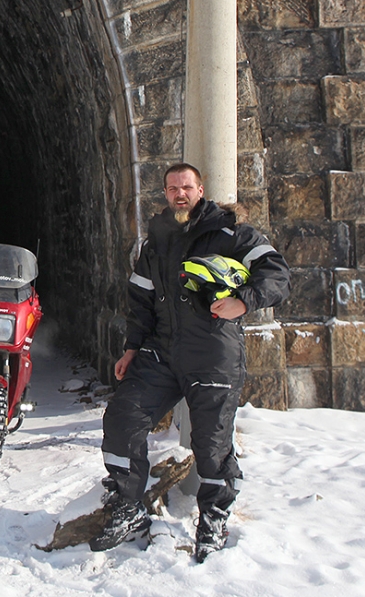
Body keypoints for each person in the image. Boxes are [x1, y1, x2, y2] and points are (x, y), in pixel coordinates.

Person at [92, 162, 290, 557]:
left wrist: (243, 302)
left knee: (211, 444)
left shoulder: (231, 234)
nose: (179, 194)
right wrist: (132, 348)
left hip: (212, 354)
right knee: (123, 416)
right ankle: (129, 506)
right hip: (162, 352)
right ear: (165, 193)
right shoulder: (156, 242)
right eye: (171, 188)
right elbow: (141, 301)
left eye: (186, 187)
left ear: (201, 190)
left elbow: (277, 274)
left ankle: (214, 518)